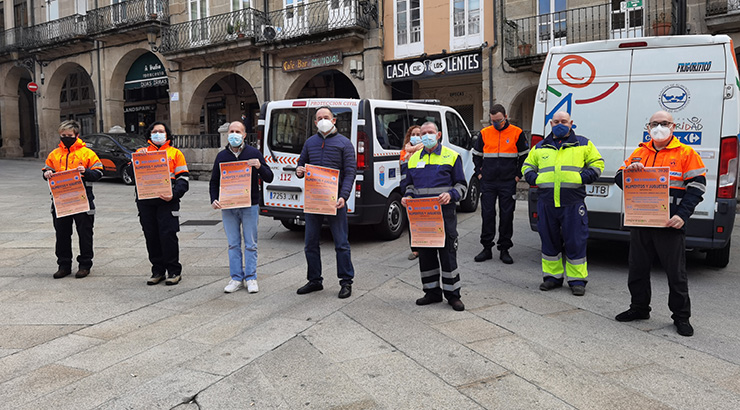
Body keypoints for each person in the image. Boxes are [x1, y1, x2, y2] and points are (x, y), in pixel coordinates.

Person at [614, 110, 706, 337]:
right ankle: (639, 308)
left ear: (673, 127)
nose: (659, 127)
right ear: (648, 128)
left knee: (676, 274)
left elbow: (698, 187)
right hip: (642, 221)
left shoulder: (686, 153)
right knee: (637, 269)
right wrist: (629, 173)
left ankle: (681, 317)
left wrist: (683, 215)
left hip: (670, 223)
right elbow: (619, 178)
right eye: (654, 124)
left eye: (664, 123)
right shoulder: (639, 152)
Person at [521, 111, 604, 296]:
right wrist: (535, 178)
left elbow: (598, 164)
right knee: (549, 241)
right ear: (551, 123)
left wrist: (583, 177)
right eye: (556, 121)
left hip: (572, 202)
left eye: (564, 121)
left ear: (571, 123)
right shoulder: (541, 146)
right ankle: (552, 278)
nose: (560, 124)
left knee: (576, 241)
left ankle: (577, 280)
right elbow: (527, 166)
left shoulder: (583, 143)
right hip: (546, 202)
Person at [401, 121, 468, 311]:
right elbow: (409, 185)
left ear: (438, 135)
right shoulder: (412, 159)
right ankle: (431, 292)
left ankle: (453, 295)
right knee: (426, 255)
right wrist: (407, 196)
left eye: (430, 132)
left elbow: (462, 185)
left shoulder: (452, 156)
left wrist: (451, 195)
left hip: (444, 214)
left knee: (447, 254)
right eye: (423, 133)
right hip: (422, 216)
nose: (426, 136)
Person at [295, 107, 357, 299]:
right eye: (319, 118)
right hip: (314, 200)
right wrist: (299, 170)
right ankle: (315, 280)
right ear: (315, 123)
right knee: (310, 243)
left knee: (341, 243)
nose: (323, 120)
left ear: (334, 120)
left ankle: (346, 282)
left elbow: (350, 173)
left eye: (326, 117)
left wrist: (343, 196)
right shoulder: (310, 142)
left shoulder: (344, 144)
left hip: (335, 200)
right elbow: (301, 163)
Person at [210, 121, 274, 293]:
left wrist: (260, 166)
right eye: (232, 131)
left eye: (238, 131)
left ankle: (251, 277)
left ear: (244, 135)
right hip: (229, 206)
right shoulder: (222, 156)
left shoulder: (253, 153)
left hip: (249, 205)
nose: (234, 134)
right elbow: (214, 181)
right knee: (233, 244)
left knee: (251, 243)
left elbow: (269, 177)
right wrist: (214, 199)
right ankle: (236, 278)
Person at [42, 120, 103, 279]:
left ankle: (84, 265)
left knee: (85, 234)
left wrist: (86, 171)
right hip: (61, 201)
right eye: (63, 136)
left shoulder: (87, 153)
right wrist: (46, 174)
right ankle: (64, 265)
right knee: (62, 234)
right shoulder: (55, 154)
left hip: (83, 200)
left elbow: (99, 173)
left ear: (77, 135)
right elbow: (47, 169)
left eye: (69, 135)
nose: (66, 138)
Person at [472, 104, 529, 264]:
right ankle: (486, 248)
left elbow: (525, 157)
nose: (496, 123)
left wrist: (517, 176)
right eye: (493, 121)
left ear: (506, 116)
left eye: (499, 120)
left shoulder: (517, 132)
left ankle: (504, 249)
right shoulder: (484, 133)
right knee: (487, 215)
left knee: (507, 215)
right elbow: (476, 155)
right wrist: (479, 173)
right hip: (488, 182)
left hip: (508, 182)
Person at [134, 122, 189, 286]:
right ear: (149, 135)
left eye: (161, 131)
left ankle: (174, 271)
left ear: (167, 134)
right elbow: (132, 173)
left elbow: (183, 179)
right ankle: (157, 270)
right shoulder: (140, 152)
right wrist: (138, 159)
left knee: (168, 235)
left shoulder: (175, 153)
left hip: (167, 202)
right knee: (151, 236)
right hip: (146, 202)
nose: (158, 134)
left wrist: (173, 195)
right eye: (154, 131)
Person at [400, 125, 424, 260]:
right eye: (413, 134)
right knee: (412, 221)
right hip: (408, 189)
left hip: (421, 188)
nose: (415, 137)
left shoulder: (425, 151)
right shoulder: (404, 152)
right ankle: (415, 249)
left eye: (418, 134)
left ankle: (427, 245)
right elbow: (403, 172)